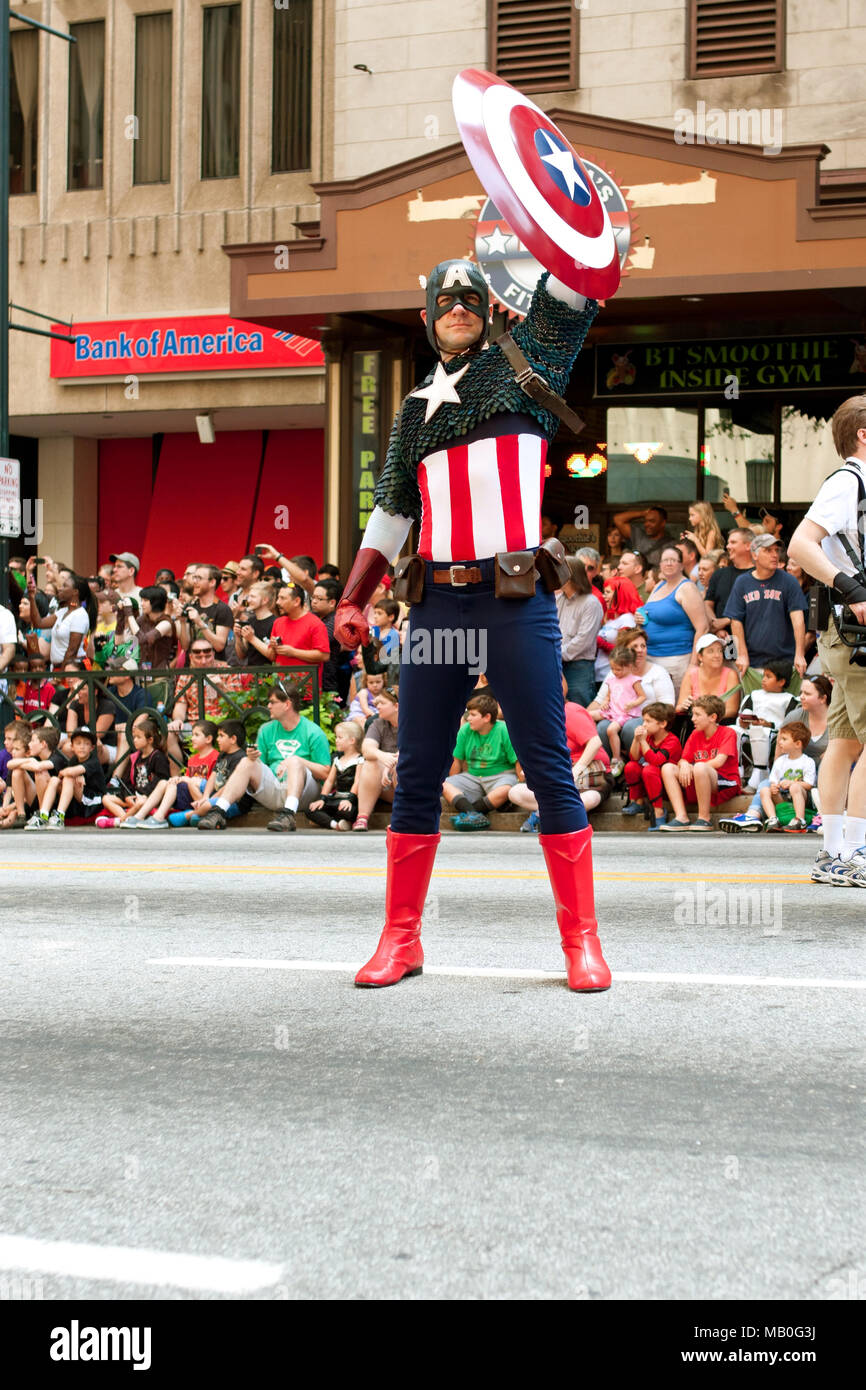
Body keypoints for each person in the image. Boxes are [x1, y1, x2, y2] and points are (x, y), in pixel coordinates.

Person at [334, 257, 613, 990]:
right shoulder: (413, 408)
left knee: (549, 765)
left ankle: (581, 942)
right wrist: (354, 596)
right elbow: (392, 511)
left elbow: (576, 284)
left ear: (488, 307)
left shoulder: (527, 360)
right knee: (420, 768)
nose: (457, 308)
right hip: (437, 604)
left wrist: (580, 217)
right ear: (426, 316)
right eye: (444, 300)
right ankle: (400, 939)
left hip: (512, 600)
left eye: (469, 297)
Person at [787, 395, 866, 885]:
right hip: (855, 626)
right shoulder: (849, 480)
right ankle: (857, 854)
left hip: (842, 631)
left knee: (843, 740)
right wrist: (855, 590)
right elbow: (800, 543)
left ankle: (834, 852)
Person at [196, 681, 330, 831]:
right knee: (247, 762)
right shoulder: (266, 730)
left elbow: (325, 773)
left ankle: (289, 814)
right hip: (274, 788)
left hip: (304, 794)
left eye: (272, 702)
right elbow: (260, 767)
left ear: (287, 704)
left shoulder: (313, 732)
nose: (269, 706)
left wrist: (297, 760)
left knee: (295, 762)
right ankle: (219, 811)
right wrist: (253, 758)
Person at [510, 674, 613, 830]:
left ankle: (543, 814)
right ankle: (551, 813)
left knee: (589, 799)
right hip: (557, 777)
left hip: (591, 773)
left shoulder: (570, 710)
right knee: (515, 793)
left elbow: (595, 742)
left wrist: (577, 769)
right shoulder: (539, 719)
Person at [724, 534, 808, 695]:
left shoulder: (789, 581)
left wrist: (800, 655)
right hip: (753, 663)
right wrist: (741, 655)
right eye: (768, 550)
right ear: (755, 555)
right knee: (755, 712)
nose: (775, 555)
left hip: (784, 662)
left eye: (776, 550)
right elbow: (735, 620)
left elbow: (798, 619)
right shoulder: (742, 582)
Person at [659, 694, 741, 831]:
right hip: (699, 777)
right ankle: (681, 817)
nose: (692, 719)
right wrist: (685, 764)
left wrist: (693, 767)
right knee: (667, 768)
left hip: (725, 782)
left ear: (713, 717)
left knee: (700, 766)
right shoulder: (695, 734)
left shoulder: (728, 732)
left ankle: (704, 818)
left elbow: (719, 762)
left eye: (697, 715)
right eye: (693, 714)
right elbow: (684, 759)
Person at [442, 692, 521, 831]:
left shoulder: (504, 729)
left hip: (501, 775)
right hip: (472, 776)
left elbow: (517, 760)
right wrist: (453, 781)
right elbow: (457, 760)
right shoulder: (465, 730)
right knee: (444, 784)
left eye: (473, 715)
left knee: (507, 789)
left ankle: (471, 813)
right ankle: (474, 815)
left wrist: (521, 780)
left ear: (487, 717)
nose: (468, 718)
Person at [123, 720, 219, 828]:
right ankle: (140, 816)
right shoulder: (192, 759)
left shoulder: (216, 757)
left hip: (201, 798)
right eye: (192, 735)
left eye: (196, 735)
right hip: (187, 796)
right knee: (164, 782)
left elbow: (212, 785)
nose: (192, 738)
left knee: (175, 784)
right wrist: (179, 779)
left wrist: (187, 780)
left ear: (208, 739)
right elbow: (187, 778)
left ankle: (159, 818)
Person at [641, 545, 708, 690]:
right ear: (660, 565)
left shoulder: (687, 588)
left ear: (681, 565)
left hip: (676, 659)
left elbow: (703, 627)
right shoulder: (659, 585)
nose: (669, 563)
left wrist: (693, 664)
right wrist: (639, 618)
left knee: (673, 708)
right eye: (665, 560)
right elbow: (648, 613)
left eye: (673, 560)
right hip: (650, 658)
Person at [734, 659, 800, 788]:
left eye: (768, 677)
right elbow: (743, 712)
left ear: (781, 682)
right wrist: (743, 722)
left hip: (773, 733)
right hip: (749, 729)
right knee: (731, 731)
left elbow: (790, 722)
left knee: (760, 731)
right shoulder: (754, 695)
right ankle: (737, 773)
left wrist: (769, 724)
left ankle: (759, 774)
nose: (763, 679)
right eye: (763, 675)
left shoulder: (789, 699)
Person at [27, 726, 106, 829]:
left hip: (93, 802)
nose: (82, 747)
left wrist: (73, 774)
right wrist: (71, 776)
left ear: (92, 748)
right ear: (72, 747)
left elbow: (70, 772)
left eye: (86, 744)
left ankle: (60, 816)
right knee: (55, 780)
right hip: (78, 801)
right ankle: (43, 814)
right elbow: (64, 775)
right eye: (78, 743)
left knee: (68, 777)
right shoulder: (74, 760)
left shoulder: (93, 761)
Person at [622, 702, 682, 830]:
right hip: (649, 782)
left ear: (662, 724)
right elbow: (634, 758)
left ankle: (659, 811)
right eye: (643, 720)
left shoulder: (672, 741)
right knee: (631, 766)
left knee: (649, 769)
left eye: (648, 721)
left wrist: (642, 741)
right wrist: (636, 739)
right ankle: (637, 801)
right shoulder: (649, 737)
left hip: (666, 786)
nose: (643, 725)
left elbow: (656, 761)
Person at [586, 646, 645, 776]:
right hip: (612, 711)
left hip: (625, 713)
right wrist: (605, 703)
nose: (615, 672)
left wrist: (633, 703)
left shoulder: (633, 680)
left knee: (611, 730)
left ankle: (616, 758)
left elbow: (642, 696)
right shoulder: (611, 680)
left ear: (629, 666)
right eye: (612, 669)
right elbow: (608, 695)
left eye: (618, 669)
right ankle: (589, 748)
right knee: (588, 716)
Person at [556, 556, 603, 707]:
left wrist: (557, 653)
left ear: (570, 574)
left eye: (559, 571)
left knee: (580, 708)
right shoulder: (558, 600)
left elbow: (584, 640)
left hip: (579, 667)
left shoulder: (591, 603)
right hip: (557, 665)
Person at [353, 685, 400, 832]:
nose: (376, 706)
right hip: (385, 782)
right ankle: (362, 817)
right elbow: (366, 749)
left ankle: (402, 818)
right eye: (376, 703)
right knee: (370, 762)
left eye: (382, 703)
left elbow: (412, 751)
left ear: (396, 706)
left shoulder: (413, 723)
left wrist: (390, 764)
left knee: (403, 765)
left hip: (413, 785)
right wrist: (382, 756)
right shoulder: (378, 723)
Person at [703, 527, 755, 659]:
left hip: (754, 643)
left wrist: (726, 620)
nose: (727, 546)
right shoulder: (720, 574)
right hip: (725, 642)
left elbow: (760, 608)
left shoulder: (759, 575)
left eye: (733, 542)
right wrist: (716, 626)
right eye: (728, 542)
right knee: (731, 676)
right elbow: (708, 604)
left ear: (748, 546)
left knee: (752, 677)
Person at [267, 583, 329, 694]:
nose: (277, 602)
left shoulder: (315, 624)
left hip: (306, 690)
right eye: (278, 598)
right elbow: (272, 656)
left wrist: (293, 652)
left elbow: (324, 655)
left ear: (296, 601)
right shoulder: (278, 622)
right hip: (281, 690)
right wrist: (273, 646)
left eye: (282, 598)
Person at [2, 726, 67, 830]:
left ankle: (42, 816)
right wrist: (29, 761)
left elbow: (38, 767)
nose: (29, 744)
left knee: (40, 772)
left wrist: (28, 763)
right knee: (17, 771)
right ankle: (21, 816)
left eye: (32, 741)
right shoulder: (35, 758)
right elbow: (10, 764)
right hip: (36, 799)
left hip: (54, 805)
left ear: (43, 744)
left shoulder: (57, 758)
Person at [305, 721, 366, 830]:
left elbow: (357, 781)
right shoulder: (337, 760)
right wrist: (322, 799)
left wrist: (349, 800)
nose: (336, 740)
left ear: (352, 740)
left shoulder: (360, 760)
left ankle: (328, 820)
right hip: (336, 798)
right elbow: (329, 781)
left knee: (347, 811)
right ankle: (335, 824)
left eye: (340, 737)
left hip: (350, 799)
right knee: (311, 809)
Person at [758, 723, 817, 833]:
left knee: (795, 787)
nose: (780, 742)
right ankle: (773, 819)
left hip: (800, 797)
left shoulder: (807, 761)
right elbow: (773, 780)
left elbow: (809, 785)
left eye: (784, 739)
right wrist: (774, 787)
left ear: (797, 744)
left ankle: (800, 820)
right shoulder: (780, 761)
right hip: (782, 797)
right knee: (764, 790)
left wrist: (791, 783)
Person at [675, 633, 740, 728]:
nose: (717, 655)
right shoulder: (690, 675)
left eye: (720, 651)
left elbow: (732, 711)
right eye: (711, 651)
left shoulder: (731, 674)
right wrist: (683, 707)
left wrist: (706, 718)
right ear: (700, 657)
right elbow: (678, 707)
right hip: (695, 725)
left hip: (722, 725)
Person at [177, 565, 233, 655]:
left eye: (198, 578)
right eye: (194, 577)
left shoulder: (222, 609)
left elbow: (219, 646)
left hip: (212, 666)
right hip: (191, 665)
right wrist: (182, 622)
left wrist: (199, 622)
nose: (194, 582)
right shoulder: (190, 606)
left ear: (212, 582)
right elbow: (185, 647)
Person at [594, 575, 641, 683]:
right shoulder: (611, 619)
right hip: (600, 674)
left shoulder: (628, 619)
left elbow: (625, 651)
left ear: (620, 595)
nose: (604, 596)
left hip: (614, 676)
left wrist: (598, 642)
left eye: (608, 592)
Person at [311, 578, 351, 700]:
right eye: (313, 597)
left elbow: (315, 642)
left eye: (319, 599)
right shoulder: (314, 617)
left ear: (332, 602)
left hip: (328, 683)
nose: (314, 602)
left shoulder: (335, 620)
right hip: (314, 679)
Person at [612, 504, 677, 569]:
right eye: (645, 521)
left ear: (663, 523)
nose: (647, 524)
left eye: (652, 521)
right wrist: (643, 513)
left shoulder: (672, 544)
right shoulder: (638, 535)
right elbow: (618, 519)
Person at [231, 582, 276, 667]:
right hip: (251, 676)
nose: (248, 600)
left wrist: (251, 638)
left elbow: (273, 656)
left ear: (265, 600)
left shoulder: (275, 623)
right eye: (249, 596)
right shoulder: (250, 621)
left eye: (253, 597)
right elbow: (242, 655)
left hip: (268, 677)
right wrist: (237, 637)